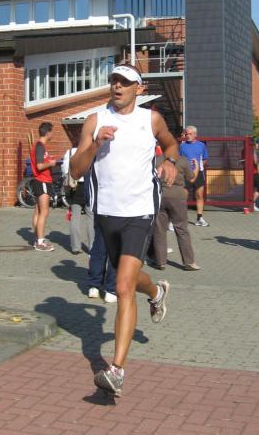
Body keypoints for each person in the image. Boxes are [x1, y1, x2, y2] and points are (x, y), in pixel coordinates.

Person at [69, 62, 179, 398]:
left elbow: (171, 144)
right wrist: (94, 145)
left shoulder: (151, 119)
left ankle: (116, 370)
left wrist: (170, 162)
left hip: (140, 212)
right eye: (114, 80)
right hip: (106, 214)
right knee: (131, 280)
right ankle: (157, 293)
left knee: (121, 286)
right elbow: (75, 170)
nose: (117, 86)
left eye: (125, 82)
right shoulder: (95, 120)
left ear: (139, 88)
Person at [151, 150, 199, 270]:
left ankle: (160, 262)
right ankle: (189, 262)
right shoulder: (182, 160)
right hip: (178, 197)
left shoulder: (156, 160)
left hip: (160, 196)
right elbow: (191, 178)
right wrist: (197, 167)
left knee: (159, 229)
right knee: (181, 228)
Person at [62, 143, 94, 255]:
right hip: (88, 185)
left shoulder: (70, 152)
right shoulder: (91, 151)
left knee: (75, 217)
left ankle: (75, 247)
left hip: (74, 186)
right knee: (91, 217)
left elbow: (64, 170)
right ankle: (92, 246)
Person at [30, 122, 57, 251]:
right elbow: (40, 166)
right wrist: (51, 163)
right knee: (44, 212)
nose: (53, 134)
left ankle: (38, 239)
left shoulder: (38, 146)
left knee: (38, 211)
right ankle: (40, 242)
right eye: (52, 131)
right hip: (42, 181)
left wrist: (48, 161)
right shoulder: (39, 146)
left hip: (39, 181)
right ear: (48, 132)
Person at [180, 125, 209, 226]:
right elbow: (179, 159)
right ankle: (178, 219)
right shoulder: (182, 146)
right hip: (185, 174)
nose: (188, 136)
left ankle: (199, 218)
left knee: (199, 196)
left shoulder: (201, 145)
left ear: (195, 134)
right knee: (182, 197)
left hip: (199, 174)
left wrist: (197, 168)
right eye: (186, 134)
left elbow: (205, 159)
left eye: (190, 134)